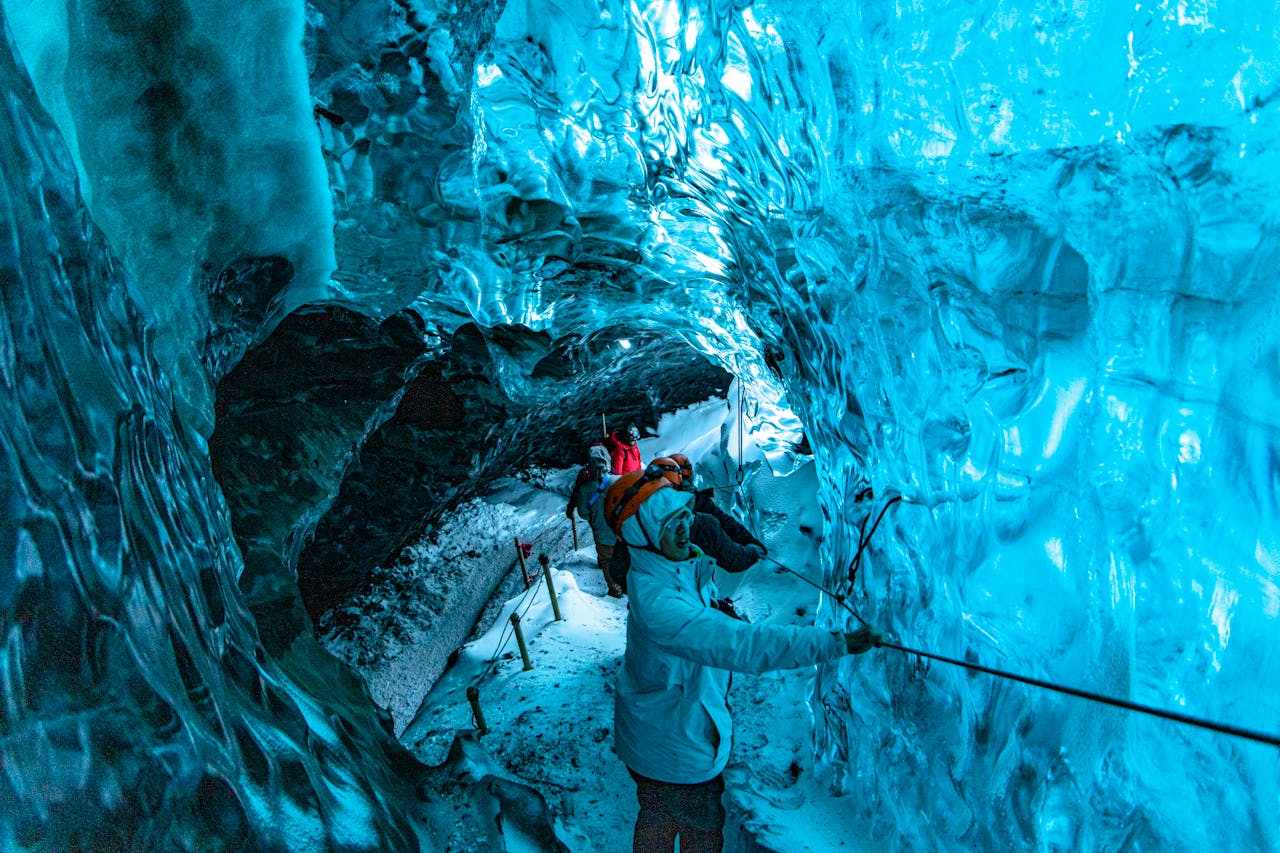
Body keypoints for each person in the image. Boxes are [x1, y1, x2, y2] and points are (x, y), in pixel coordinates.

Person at [604, 472, 879, 852]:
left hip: (659, 732)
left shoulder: (675, 568)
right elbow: (742, 646)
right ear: (642, 537)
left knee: (658, 817)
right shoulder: (659, 604)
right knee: (698, 828)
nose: (684, 530)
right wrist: (837, 643)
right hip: (673, 749)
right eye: (669, 525)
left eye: (684, 517)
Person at [566, 445, 623, 596]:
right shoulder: (620, 481)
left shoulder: (585, 489)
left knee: (606, 561)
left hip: (602, 533)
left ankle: (615, 588)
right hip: (623, 532)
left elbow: (584, 514)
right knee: (623, 557)